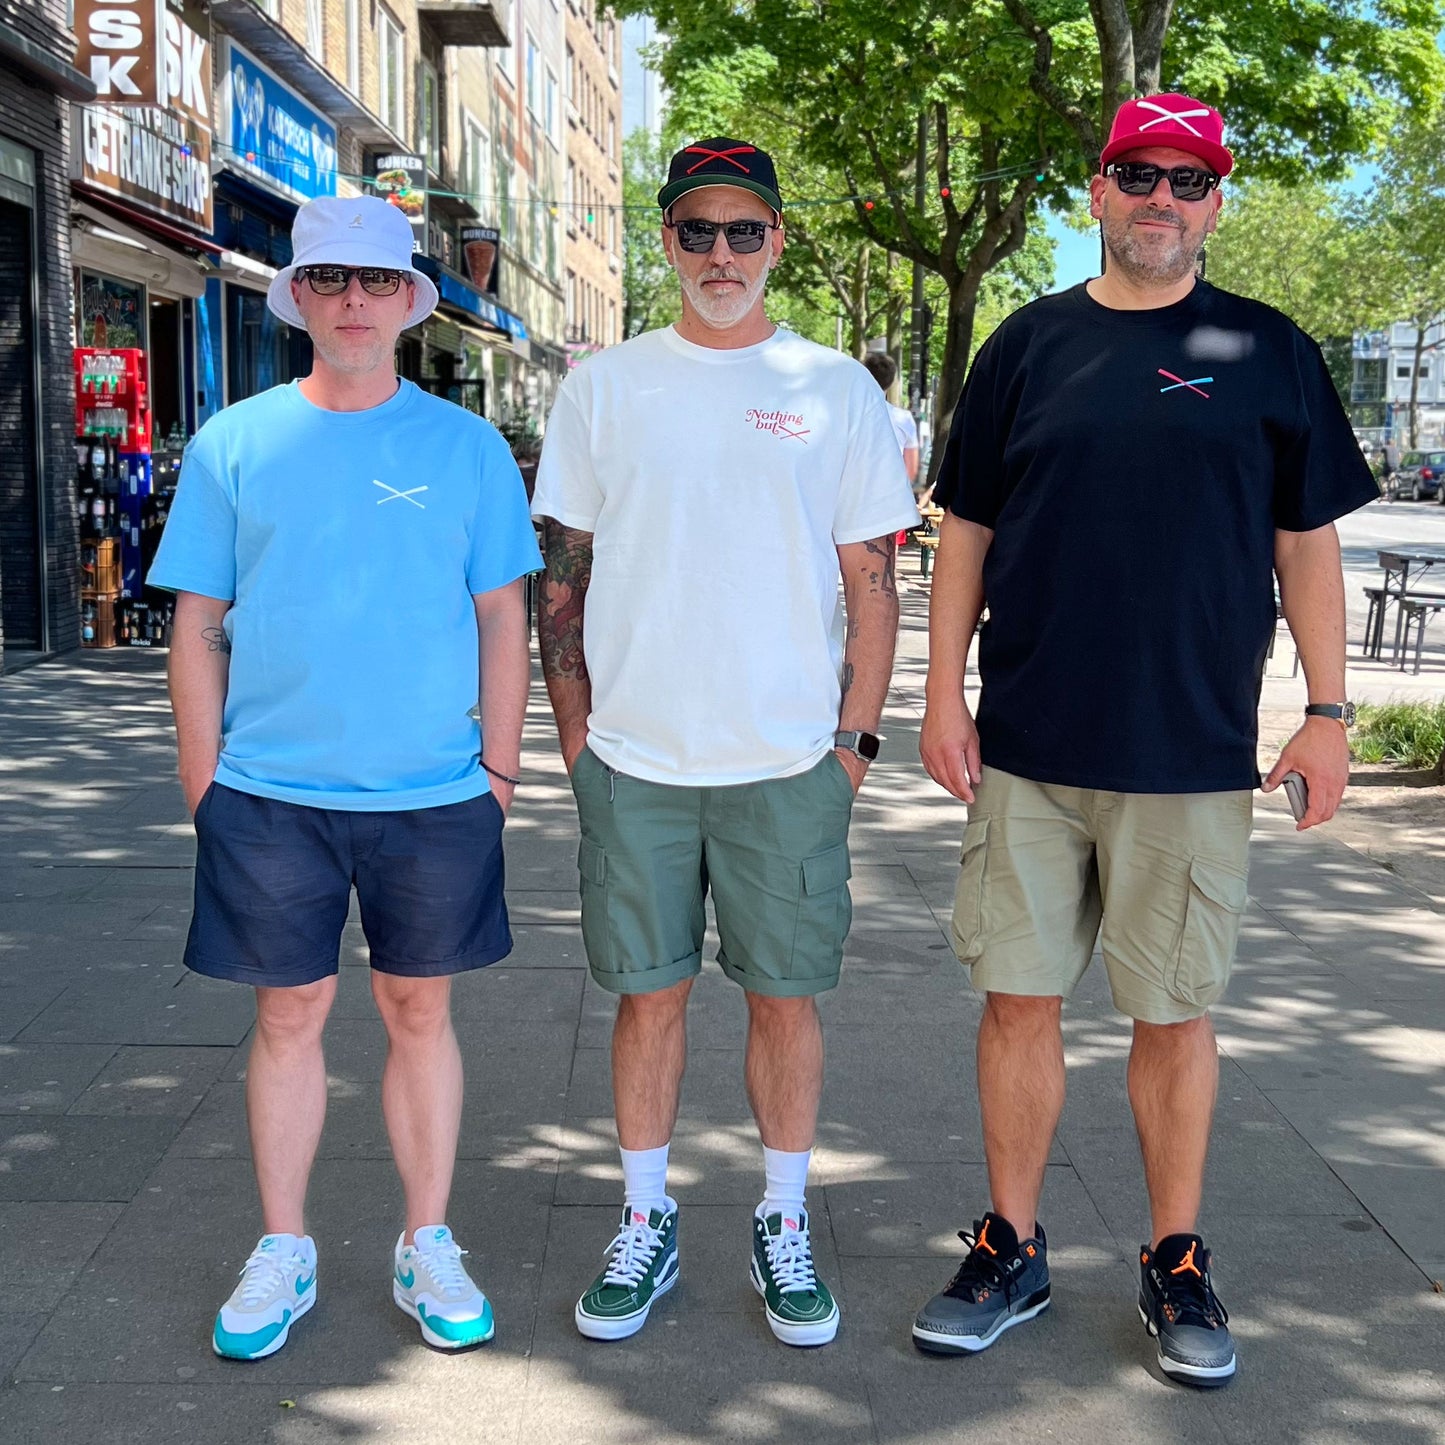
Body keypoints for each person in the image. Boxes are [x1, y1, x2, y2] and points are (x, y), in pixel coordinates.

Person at [912, 95, 1376, 1386]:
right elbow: (966, 532)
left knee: (1173, 1013)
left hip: (1192, 749)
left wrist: (1327, 716)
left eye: (1186, 179)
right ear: (1098, 191)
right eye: (1136, 175)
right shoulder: (1024, 345)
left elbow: (1308, 545)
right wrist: (940, 694)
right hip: (1029, 744)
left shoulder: (1268, 350)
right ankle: (1010, 1242)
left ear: (1215, 202)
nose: (1159, 199)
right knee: (1015, 1000)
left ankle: (1175, 1257)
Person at [531, 137, 919, 1348]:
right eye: (694, 230)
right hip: (636, 761)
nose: (718, 253)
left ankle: (783, 1217)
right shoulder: (604, 386)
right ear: (664, 243)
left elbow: (872, 583)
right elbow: (562, 573)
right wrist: (575, 729)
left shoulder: (833, 390)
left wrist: (853, 741)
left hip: (786, 761)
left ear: (776, 243)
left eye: (741, 231)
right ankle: (644, 1220)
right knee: (643, 1001)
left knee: (783, 1000)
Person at [148, 195, 541, 1360]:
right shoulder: (235, 441)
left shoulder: (465, 448)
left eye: (375, 283)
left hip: (432, 791)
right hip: (268, 790)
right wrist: (202, 772)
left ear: (408, 301)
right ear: (301, 297)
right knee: (290, 1015)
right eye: (329, 280)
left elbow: (503, 615)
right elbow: (198, 617)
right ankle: (284, 1247)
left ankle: (427, 1237)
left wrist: (500, 771)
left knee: (420, 1009)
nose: (353, 302)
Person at [862, 351, 921, 486]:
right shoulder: (904, 419)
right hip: (890, 494)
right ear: (892, 380)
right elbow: (910, 470)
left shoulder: (850, 416)